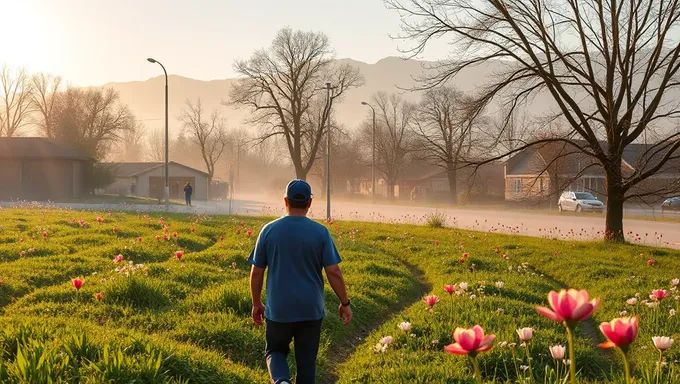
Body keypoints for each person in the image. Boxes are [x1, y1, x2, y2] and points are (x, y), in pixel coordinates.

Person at [249, 179, 352, 384]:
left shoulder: (269, 230)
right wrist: (345, 302)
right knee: (306, 361)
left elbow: (257, 272)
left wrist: (256, 303)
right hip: (310, 309)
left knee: (275, 351)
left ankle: (281, 381)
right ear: (309, 203)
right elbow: (333, 271)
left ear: (285, 201)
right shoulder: (320, 232)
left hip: (279, 309)